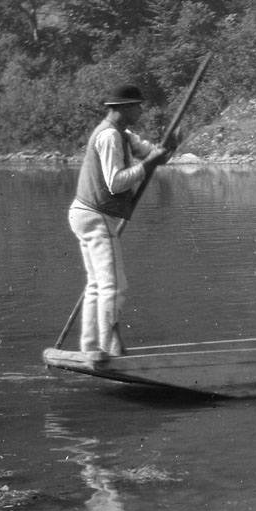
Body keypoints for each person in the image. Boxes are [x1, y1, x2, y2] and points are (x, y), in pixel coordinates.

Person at [68, 83, 174, 360]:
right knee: (114, 285)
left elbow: (154, 156)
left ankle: (91, 347)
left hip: (87, 213)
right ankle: (108, 348)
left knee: (96, 284)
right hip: (95, 214)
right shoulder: (109, 137)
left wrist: (169, 149)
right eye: (137, 106)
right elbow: (115, 183)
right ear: (123, 108)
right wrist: (148, 166)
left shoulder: (123, 135)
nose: (140, 110)